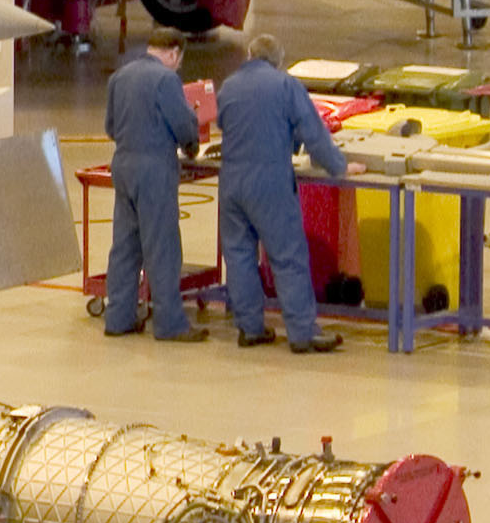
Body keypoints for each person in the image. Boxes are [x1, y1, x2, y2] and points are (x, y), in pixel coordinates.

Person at [215, 34, 348, 352]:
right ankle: (302, 332)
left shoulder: (229, 86)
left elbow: (223, 123)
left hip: (231, 183)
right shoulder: (286, 86)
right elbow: (314, 135)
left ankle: (250, 328)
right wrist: (339, 167)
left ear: (250, 54)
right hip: (269, 182)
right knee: (288, 257)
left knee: (239, 256)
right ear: (278, 62)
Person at [103, 33, 204, 342]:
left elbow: (110, 126)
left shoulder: (119, 77)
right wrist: (191, 144)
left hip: (123, 165)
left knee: (125, 246)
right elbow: (183, 125)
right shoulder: (166, 80)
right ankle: (170, 323)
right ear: (173, 54)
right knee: (161, 247)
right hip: (154, 169)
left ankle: (118, 317)